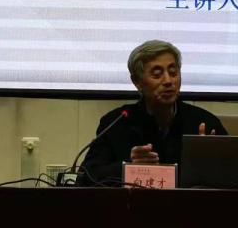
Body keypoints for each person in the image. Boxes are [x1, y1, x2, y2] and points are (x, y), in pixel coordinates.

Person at [77, 40, 228, 186]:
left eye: (173, 72)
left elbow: (234, 176)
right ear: (137, 81)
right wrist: (129, 167)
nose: (168, 81)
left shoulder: (204, 122)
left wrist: (209, 163)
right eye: (157, 74)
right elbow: (86, 176)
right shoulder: (117, 122)